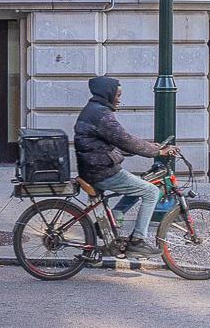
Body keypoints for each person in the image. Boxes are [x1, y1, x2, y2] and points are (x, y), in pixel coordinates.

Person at [73, 76, 175, 256]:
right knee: (151, 191)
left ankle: (110, 221)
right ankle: (138, 241)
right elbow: (125, 140)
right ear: (108, 93)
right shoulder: (101, 115)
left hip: (95, 168)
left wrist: (153, 147)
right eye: (117, 94)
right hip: (102, 171)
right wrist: (157, 151)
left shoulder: (95, 110)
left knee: (139, 185)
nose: (119, 98)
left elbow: (119, 142)